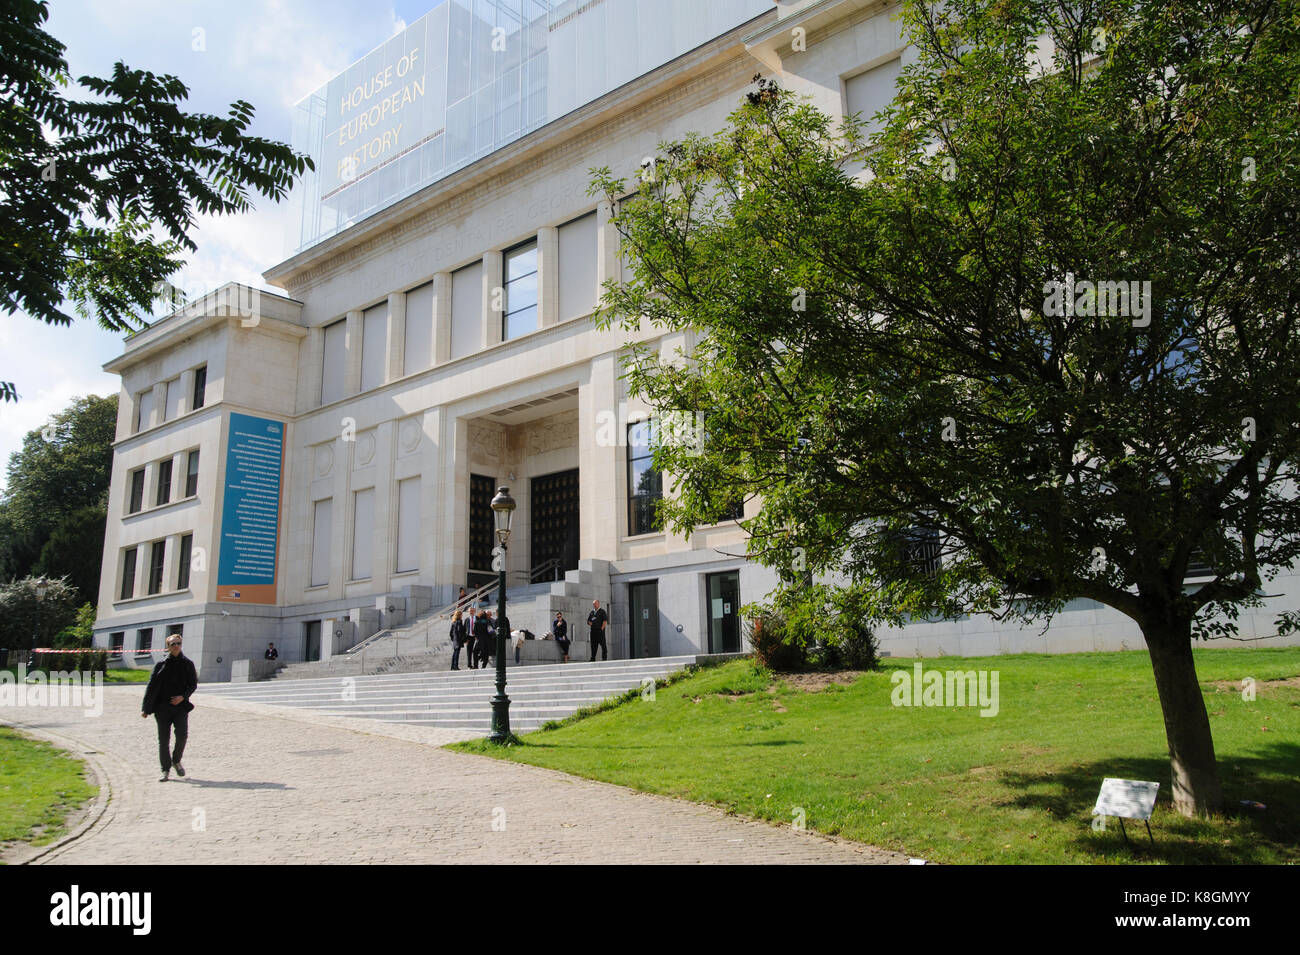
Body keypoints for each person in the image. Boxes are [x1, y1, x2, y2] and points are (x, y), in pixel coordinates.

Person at [141, 633, 198, 782]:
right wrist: (146, 708)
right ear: (168, 647)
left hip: (180, 707)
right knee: (163, 740)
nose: (176, 646)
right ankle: (165, 770)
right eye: (173, 644)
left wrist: (182, 697)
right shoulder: (161, 665)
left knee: (182, 735)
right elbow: (152, 686)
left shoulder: (188, 664)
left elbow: (193, 685)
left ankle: (176, 760)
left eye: (178, 643)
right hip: (162, 708)